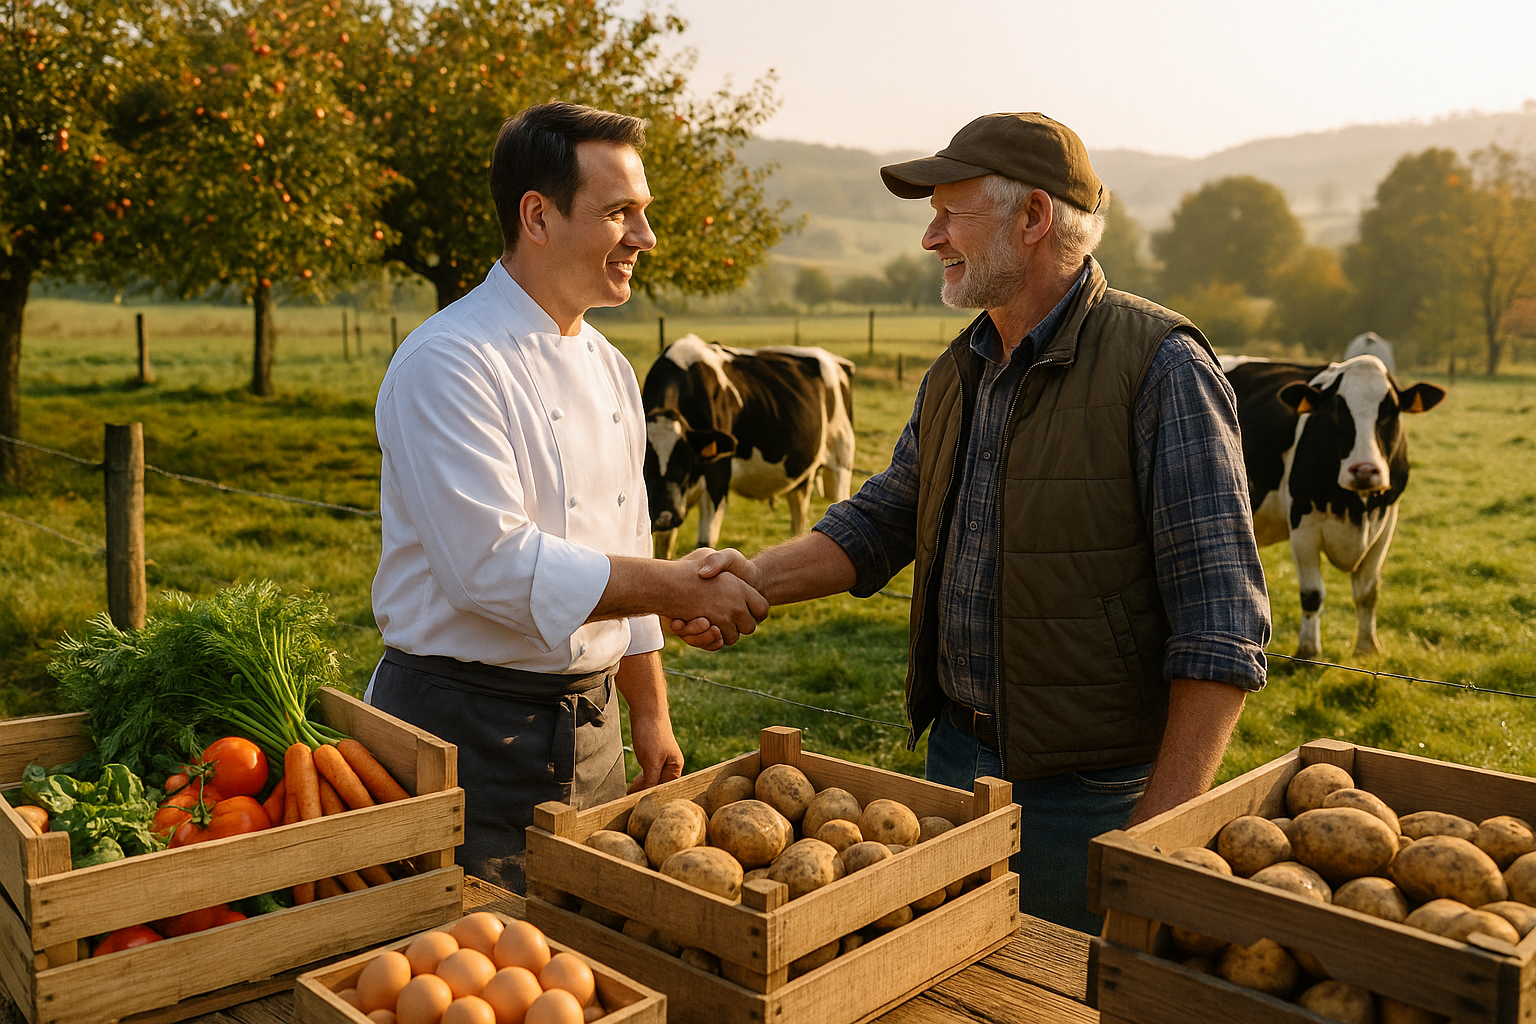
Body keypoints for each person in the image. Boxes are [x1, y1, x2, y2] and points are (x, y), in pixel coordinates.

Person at [680, 112, 1271, 933]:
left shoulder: (1162, 367)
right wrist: (747, 582)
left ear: (1033, 218)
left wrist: (1159, 833)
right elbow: (885, 519)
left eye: (951, 213)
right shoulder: (961, 366)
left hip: (1090, 797)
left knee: (1063, 1000)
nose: (930, 238)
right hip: (952, 768)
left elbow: (1221, 628)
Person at [367, 102, 767, 892]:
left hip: (592, 731)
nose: (645, 239)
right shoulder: (448, 362)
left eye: (644, 214)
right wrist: (681, 586)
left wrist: (648, 710)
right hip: (464, 730)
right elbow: (493, 568)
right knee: (470, 979)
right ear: (537, 216)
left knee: (589, 960)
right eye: (620, 213)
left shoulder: (614, 368)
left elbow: (629, 547)